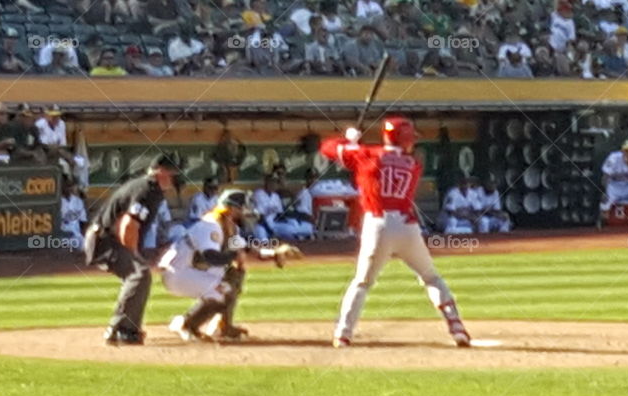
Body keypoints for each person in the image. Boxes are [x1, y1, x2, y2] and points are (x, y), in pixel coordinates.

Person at [319, 116, 471, 347]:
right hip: (407, 226)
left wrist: (348, 140)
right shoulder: (414, 163)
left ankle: (343, 333)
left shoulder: (366, 156)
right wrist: (354, 147)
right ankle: (456, 327)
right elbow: (385, 159)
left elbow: (327, 148)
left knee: (362, 282)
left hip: (377, 225)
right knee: (430, 277)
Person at [162, 189, 302, 341]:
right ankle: (187, 325)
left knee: (234, 275)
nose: (244, 212)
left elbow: (246, 248)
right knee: (223, 291)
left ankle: (223, 325)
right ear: (232, 208)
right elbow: (210, 257)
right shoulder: (211, 225)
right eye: (241, 208)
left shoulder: (229, 226)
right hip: (178, 273)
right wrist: (234, 255)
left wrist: (274, 253)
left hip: (192, 269)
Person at [83, 155, 178, 345]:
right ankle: (119, 328)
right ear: (160, 172)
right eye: (171, 173)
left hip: (108, 238)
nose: (174, 178)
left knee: (140, 275)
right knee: (139, 273)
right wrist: (134, 253)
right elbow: (128, 224)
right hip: (105, 240)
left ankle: (129, 330)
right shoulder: (147, 190)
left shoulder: (150, 188)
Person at [59, 178, 87, 250]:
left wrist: (82, 232)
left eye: (69, 187)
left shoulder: (77, 200)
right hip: (62, 231)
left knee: (85, 246)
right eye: (65, 187)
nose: (68, 189)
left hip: (75, 231)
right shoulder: (58, 201)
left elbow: (83, 219)